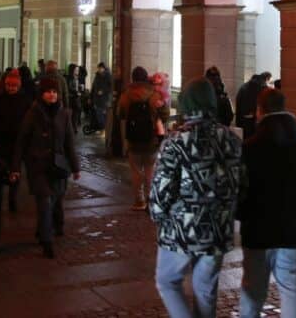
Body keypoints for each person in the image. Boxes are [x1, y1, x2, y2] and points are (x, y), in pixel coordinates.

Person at [150, 78, 242, 318]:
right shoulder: (231, 139)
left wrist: (158, 215)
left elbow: (161, 188)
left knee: (167, 281)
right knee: (206, 290)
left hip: (182, 229)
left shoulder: (176, 141)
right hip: (219, 228)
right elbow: (242, 182)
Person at [238, 87, 296, 318]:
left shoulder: (250, 147)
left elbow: (239, 190)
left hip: (257, 229)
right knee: (292, 286)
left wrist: (242, 213)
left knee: (253, 288)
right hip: (294, 228)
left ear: (260, 110)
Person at [10, 77, 81, 259]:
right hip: (38, 165)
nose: (52, 95)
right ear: (41, 94)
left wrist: (75, 167)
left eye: (55, 92)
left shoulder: (64, 114)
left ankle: (45, 229)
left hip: (58, 166)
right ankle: (47, 241)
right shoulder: (33, 113)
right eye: (48, 92)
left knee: (54, 201)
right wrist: (16, 167)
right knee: (45, 201)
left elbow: (69, 143)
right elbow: (21, 141)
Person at [118, 66, 169, 210]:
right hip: (151, 139)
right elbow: (165, 114)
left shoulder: (126, 95)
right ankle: (150, 199)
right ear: (146, 78)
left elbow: (120, 114)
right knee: (150, 169)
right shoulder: (154, 94)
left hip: (133, 139)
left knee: (136, 171)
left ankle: (139, 200)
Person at [0, 69, 32, 212]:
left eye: (13, 86)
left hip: (18, 140)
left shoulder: (24, 100)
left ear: (18, 86)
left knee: (15, 169)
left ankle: (12, 198)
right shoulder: (0, 99)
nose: (11, 88)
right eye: (9, 85)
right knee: (1, 169)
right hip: (2, 140)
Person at [235, 74, 266, 139]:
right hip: (254, 120)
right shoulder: (259, 87)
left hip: (243, 118)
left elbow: (238, 103)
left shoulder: (243, 87)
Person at [90, 63, 113, 130]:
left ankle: (104, 129)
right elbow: (93, 86)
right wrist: (90, 97)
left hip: (104, 99)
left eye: (100, 68)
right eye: (98, 68)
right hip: (96, 99)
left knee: (101, 115)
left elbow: (111, 87)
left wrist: (103, 91)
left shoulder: (108, 76)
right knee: (98, 114)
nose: (99, 69)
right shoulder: (97, 75)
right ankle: (102, 129)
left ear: (104, 68)